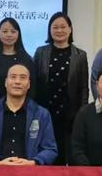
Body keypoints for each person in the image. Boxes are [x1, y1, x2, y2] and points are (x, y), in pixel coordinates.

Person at [0, 64, 57, 165]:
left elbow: (50, 150)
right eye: (13, 77)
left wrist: (33, 162)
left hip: (30, 171)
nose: (17, 81)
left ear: (29, 84)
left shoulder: (42, 115)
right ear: (5, 82)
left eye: (23, 78)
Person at [33, 12, 88, 165]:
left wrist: (82, 113)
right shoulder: (40, 52)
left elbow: (83, 87)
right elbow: (34, 83)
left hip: (69, 115)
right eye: (55, 27)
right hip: (44, 112)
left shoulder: (80, 55)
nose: (59, 30)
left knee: (67, 155)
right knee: (44, 155)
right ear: (50, 30)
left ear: (70, 29)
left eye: (63, 27)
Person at [0, 17, 35, 107]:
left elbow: (33, 89)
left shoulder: (27, 60)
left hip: (23, 111)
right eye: (5, 31)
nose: (9, 35)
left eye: (13, 32)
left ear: (18, 34)